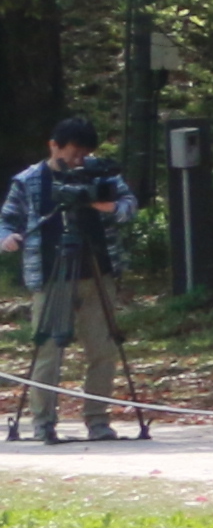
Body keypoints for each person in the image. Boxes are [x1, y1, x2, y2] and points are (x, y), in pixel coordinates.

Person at [9, 116, 132, 443]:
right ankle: (43, 422)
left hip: (98, 272)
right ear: (54, 145)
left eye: (84, 154)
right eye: (73, 154)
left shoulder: (101, 173)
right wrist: (8, 237)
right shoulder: (29, 180)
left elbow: (129, 206)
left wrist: (108, 206)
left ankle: (98, 420)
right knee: (49, 351)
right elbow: (8, 219)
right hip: (52, 275)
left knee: (102, 350)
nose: (79, 162)